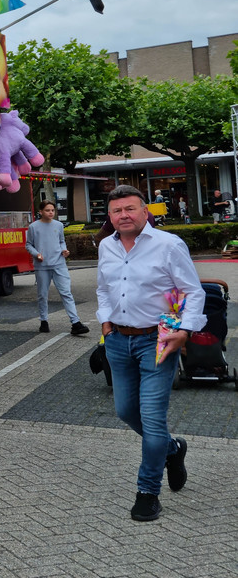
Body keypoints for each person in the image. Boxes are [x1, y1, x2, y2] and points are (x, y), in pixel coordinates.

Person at [96, 185, 206, 521]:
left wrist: (183, 331)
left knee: (153, 417)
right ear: (110, 216)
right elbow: (104, 289)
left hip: (159, 339)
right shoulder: (106, 246)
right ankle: (172, 449)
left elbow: (192, 292)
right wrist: (105, 324)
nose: (124, 215)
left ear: (146, 212)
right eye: (117, 211)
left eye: (130, 208)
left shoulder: (168, 244)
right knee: (126, 411)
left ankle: (147, 493)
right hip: (118, 340)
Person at [26, 200, 90, 336]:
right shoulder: (33, 227)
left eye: (52, 210)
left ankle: (76, 322)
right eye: (47, 210)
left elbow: (61, 241)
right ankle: (44, 321)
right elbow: (28, 244)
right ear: (40, 212)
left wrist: (64, 250)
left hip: (59, 264)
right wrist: (36, 254)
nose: (51, 213)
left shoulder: (59, 225)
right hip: (42, 266)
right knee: (42, 295)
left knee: (66, 292)